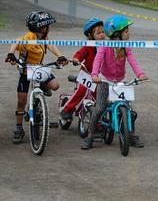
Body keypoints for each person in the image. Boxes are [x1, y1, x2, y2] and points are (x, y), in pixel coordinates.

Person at [5, 11, 68, 143]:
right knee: (21, 101)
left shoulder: (43, 38)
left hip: (38, 68)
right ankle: (18, 128)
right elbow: (16, 41)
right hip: (25, 71)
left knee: (55, 85)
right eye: (46, 26)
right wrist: (11, 54)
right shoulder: (30, 37)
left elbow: (51, 45)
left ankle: (43, 86)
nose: (48, 28)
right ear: (40, 27)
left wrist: (60, 56)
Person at [89, 15, 148, 150]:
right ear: (117, 34)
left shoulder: (125, 46)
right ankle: (90, 134)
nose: (129, 33)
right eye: (126, 31)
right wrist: (94, 74)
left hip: (121, 80)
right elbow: (98, 60)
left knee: (129, 109)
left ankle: (130, 135)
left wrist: (140, 74)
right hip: (105, 80)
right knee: (100, 108)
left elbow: (132, 60)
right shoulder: (105, 46)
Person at [59, 17, 105, 126]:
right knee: (82, 90)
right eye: (99, 33)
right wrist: (76, 59)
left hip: (98, 76)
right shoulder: (88, 46)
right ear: (90, 36)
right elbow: (79, 54)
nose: (102, 35)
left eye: (103, 32)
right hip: (86, 74)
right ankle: (66, 109)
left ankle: (97, 120)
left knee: (98, 96)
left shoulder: (106, 46)